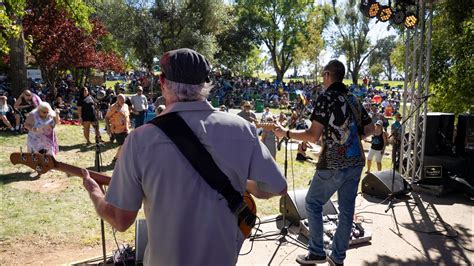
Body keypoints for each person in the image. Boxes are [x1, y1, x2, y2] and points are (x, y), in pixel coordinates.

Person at [81, 48, 287, 266]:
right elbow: (277, 187)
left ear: (162, 81)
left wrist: (95, 192)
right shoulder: (242, 129)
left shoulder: (140, 139)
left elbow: (120, 219)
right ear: (207, 84)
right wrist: (239, 183)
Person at [274, 60, 374, 266]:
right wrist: (352, 138)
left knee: (312, 203)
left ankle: (317, 252)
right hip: (356, 162)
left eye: (322, 75)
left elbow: (312, 135)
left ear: (328, 75)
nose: (322, 78)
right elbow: (371, 129)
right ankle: (337, 257)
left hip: (334, 162)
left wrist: (286, 133)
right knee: (347, 211)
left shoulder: (326, 98)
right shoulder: (353, 98)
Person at [105, 94, 130, 164]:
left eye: (124, 100)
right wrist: (108, 128)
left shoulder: (126, 106)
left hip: (126, 129)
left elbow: (127, 116)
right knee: (122, 145)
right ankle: (116, 158)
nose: (123, 101)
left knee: (127, 144)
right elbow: (106, 117)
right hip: (117, 129)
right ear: (117, 100)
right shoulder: (113, 107)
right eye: (121, 100)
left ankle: (122, 158)